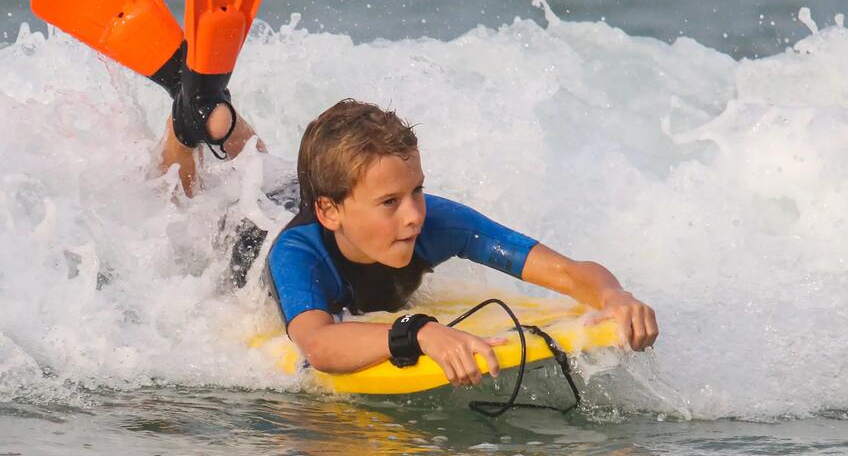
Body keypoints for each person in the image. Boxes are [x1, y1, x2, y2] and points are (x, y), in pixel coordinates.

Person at [161, 96, 658, 387]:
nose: (413, 215)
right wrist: (416, 332)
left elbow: (568, 273)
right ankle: (187, 121)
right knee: (191, 205)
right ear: (331, 212)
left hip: (312, 193)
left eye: (416, 191)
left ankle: (210, 105)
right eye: (391, 203)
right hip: (249, 231)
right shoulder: (298, 256)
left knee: (267, 170)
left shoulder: (439, 223)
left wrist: (614, 296)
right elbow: (320, 343)